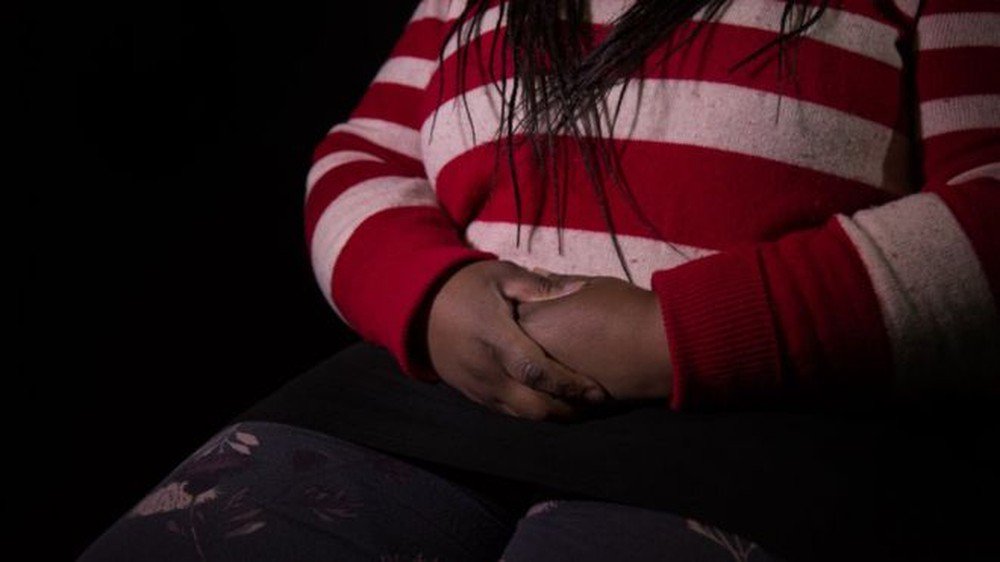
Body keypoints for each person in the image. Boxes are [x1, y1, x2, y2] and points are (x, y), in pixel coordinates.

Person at [79, 0, 999, 560]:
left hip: (767, 421)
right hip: (418, 397)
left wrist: (668, 334)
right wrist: (432, 297)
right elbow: (363, 156)